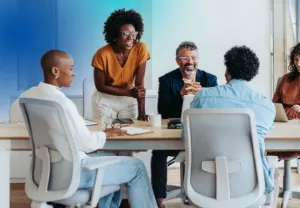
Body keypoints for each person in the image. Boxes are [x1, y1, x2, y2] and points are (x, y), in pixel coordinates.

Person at [13, 50, 157, 208]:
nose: (73, 74)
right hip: (73, 173)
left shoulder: (29, 96)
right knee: (137, 167)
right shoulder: (62, 103)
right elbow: (86, 143)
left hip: (44, 173)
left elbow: (17, 117)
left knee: (110, 156)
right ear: (55, 71)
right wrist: (105, 134)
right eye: (70, 69)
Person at [188, 45, 276, 194]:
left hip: (203, 183)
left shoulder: (202, 97)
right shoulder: (266, 106)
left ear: (227, 71)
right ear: (252, 74)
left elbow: (186, 137)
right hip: (251, 186)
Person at [152, 41, 217, 207]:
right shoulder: (167, 80)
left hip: (202, 135)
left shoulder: (210, 79)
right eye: (185, 58)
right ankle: (158, 198)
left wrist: (202, 94)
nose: (190, 62)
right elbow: (163, 111)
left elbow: (216, 108)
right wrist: (180, 95)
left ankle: (209, 195)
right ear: (177, 61)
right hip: (175, 134)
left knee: (217, 149)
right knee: (158, 152)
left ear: (198, 59)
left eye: (194, 57)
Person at [92, 9, 150, 121]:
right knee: (107, 133)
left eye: (133, 34)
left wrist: (142, 112)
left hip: (128, 100)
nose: (130, 38)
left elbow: (139, 85)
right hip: (105, 100)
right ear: (115, 35)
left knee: (129, 133)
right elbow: (100, 86)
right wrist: (129, 92)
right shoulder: (102, 54)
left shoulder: (140, 48)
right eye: (125, 34)